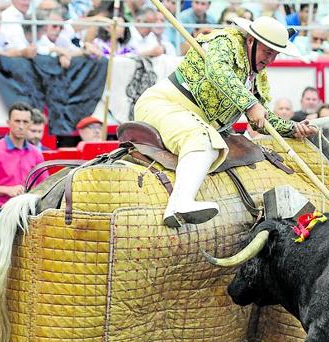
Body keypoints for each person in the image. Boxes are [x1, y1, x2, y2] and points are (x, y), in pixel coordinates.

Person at [134, 16, 316, 228]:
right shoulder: (224, 41)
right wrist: (249, 104)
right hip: (164, 104)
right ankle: (179, 204)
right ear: (251, 41)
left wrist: (292, 128)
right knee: (204, 141)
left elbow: (262, 116)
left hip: (194, 118)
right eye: (267, 52)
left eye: (275, 55)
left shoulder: (257, 74)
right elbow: (218, 72)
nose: (270, 60)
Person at [0, 102, 48, 234]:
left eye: (25, 122)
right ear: (8, 122)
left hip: (28, 215)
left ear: (30, 124)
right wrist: (7, 190)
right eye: (17, 121)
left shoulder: (36, 154)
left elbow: (45, 186)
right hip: (0, 213)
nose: (21, 126)